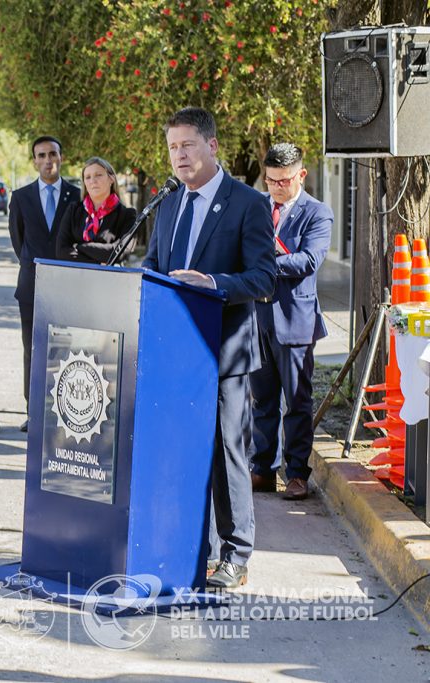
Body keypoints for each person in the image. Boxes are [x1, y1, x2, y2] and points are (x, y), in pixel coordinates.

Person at [141, 107, 275, 589]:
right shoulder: (170, 204)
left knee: (226, 453)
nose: (179, 155)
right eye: (173, 147)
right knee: (184, 453)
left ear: (212, 146)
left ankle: (236, 554)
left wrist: (212, 282)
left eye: (188, 145)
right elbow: (154, 266)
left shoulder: (247, 204)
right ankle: (200, 551)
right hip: (176, 354)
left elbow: (264, 277)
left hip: (225, 355)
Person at [250, 143, 332, 501]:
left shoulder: (318, 213)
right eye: (270, 181)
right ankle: (262, 470)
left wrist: (264, 263)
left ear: (301, 175)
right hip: (257, 317)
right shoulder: (256, 208)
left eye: (283, 181)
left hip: (295, 320)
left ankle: (297, 473)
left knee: (296, 402)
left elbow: (308, 261)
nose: (276, 187)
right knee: (262, 401)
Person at [8, 135, 80, 432]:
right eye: (41, 155)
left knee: (66, 350)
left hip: (68, 287)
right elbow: (18, 240)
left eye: (53, 154)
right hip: (32, 285)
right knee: (34, 350)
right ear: (34, 160)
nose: (48, 160)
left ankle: (63, 412)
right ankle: (33, 411)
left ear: (61, 157)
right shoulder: (21, 197)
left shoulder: (76, 196)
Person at [54, 156, 137, 264]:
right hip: (74, 278)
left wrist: (79, 246)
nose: (93, 181)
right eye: (88, 177)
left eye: (98, 175)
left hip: (109, 279)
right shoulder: (73, 210)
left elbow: (120, 252)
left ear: (111, 179)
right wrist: (99, 262)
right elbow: (61, 252)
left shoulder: (127, 215)